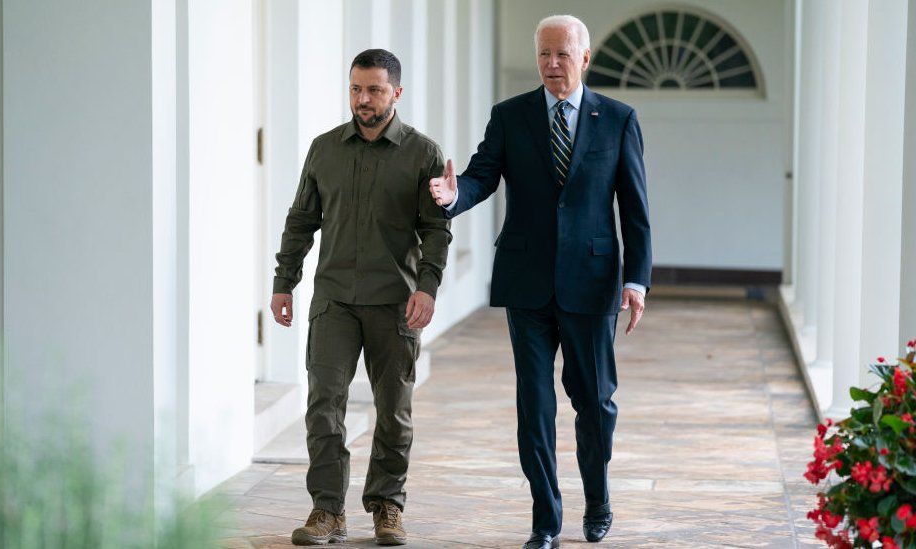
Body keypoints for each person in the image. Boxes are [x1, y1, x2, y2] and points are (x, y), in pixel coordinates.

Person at [429, 14, 651, 549]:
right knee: (535, 404)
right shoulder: (511, 116)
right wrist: (454, 196)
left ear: (585, 58)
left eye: (563, 55)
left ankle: (597, 499)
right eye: (544, 55)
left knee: (595, 401)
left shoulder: (618, 118)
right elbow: (483, 173)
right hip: (527, 281)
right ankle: (545, 521)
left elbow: (635, 207)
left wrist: (637, 281)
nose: (552, 65)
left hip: (593, 281)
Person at [272, 48, 452, 546]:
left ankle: (387, 507)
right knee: (323, 404)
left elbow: (436, 230)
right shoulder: (324, 149)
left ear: (396, 91)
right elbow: (301, 220)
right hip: (334, 300)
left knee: (393, 408)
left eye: (374, 89)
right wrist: (284, 282)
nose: (363, 99)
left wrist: (427, 288)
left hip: (395, 302)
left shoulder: (424, 154)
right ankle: (327, 511)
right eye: (356, 88)